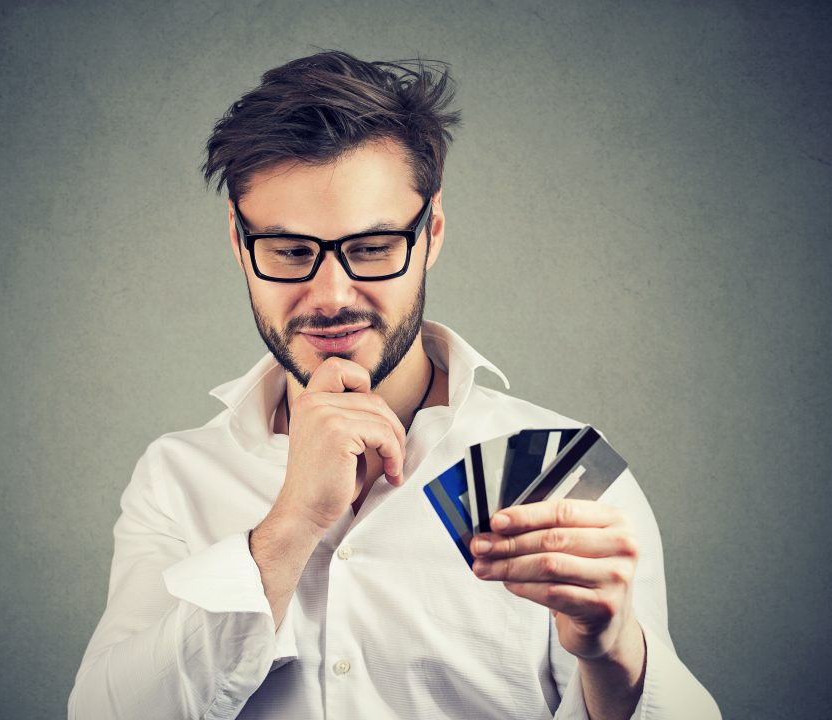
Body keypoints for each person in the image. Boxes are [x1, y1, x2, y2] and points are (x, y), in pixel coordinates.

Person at [69, 50, 720, 720]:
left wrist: (615, 656)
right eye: (291, 252)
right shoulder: (176, 479)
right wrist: (289, 528)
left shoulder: (556, 468)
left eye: (373, 247)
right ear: (239, 243)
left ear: (431, 232)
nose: (331, 296)